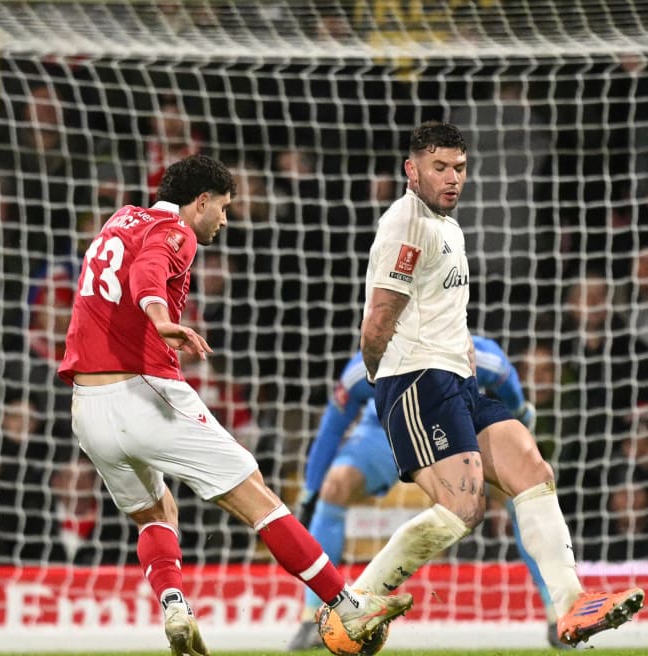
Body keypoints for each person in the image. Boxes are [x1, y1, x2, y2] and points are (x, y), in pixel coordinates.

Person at [57, 154, 413, 656]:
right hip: (142, 392)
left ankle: (175, 603)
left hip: (87, 408)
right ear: (199, 201)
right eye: (222, 208)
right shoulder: (173, 231)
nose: (224, 219)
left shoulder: (121, 219)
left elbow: (132, 269)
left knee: (155, 512)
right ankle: (348, 606)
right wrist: (159, 319)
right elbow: (149, 274)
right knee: (258, 498)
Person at [355, 121, 643, 647]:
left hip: (456, 380)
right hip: (417, 380)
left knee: (532, 468)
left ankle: (571, 605)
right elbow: (377, 321)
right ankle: (354, 606)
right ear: (411, 170)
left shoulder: (449, 227)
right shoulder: (407, 225)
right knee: (463, 510)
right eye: (439, 168)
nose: (452, 178)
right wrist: (387, 385)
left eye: (459, 168)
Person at [286, 335, 573, 650]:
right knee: (334, 487)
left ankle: (556, 613)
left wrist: (520, 416)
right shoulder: (367, 363)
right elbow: (333, 425)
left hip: (453, 422)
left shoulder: (481, 354)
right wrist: (310, 493)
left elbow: (511, 390)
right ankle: (313, 618)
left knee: (519, 490)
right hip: (384, 433)